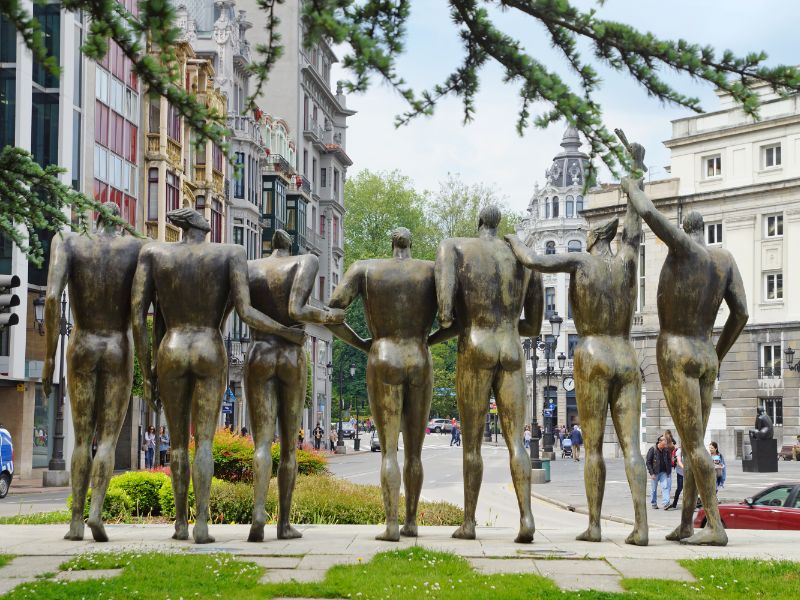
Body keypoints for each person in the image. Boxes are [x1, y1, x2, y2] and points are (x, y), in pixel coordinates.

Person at [132, 208, 304, 545]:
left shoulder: (153, 253)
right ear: (199, 226)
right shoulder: (230, 253)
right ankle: (203, 525)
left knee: (178, 445)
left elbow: (141, 314)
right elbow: (245, 311)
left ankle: (181, 523)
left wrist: (147, 366)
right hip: (209, 346)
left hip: (172, 345)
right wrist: (287, 330)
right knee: (204, 442)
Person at [507, 145, 649, 546]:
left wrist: (511, 243)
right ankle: (641, 526)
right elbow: (635, 228)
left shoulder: (581, 262)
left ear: (592, 239)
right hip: (625, 353)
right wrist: (635, 174)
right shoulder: (626, 261)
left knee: (594, 449)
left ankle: (596, 524)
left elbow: (535, 262)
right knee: (631, 448)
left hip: (592, 354)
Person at [622, 175, 748, 547]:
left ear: (684, 231)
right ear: (705, 229)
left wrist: (632, 182)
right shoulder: (724, 259)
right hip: (706, 351)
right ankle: (686, 523)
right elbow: (740, 315)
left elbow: (646, 210)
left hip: (676, 350)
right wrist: (718, 353)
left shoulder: (683, 249)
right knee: (696, 441)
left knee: (691, 445)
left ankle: (715, 526)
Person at [327, 227, 457, 541]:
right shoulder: (431, 270)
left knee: (389, 452)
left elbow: (332, 313)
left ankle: (390, 524)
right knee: (414, 453)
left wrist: (362, 343)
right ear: (411, 244)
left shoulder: (365, 268)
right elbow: (454, 321)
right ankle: (411, 522)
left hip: (382, 355)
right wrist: (428, 342)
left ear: (390, 243)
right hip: (419, 357)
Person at [436, 206, 543, 543]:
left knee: (472, 444)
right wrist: (510, 325)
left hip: (476, 345)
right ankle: (526, 517)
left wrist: (462, 318)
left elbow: (444, 313)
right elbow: (535, 324)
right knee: (517, 444)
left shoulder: (454, 247)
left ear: (478, 223)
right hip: (511, 347)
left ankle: (469, 522)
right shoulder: (524, 256)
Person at [42, 201, 144, 542]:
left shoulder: (68, 242)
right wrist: (149, 364)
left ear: (95, 218)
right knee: (108, 440)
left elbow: (52, 298)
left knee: (82, 439)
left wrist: (48, 359)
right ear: (121, 222)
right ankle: (97, 513)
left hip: (82, 344)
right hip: (118, 345)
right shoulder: (136, 248)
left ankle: (75, 520)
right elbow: (142, 310)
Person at [646, 435, 672, 509]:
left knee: (665, 487)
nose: (666, 443)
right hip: (655, 473)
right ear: (660, 442)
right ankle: (654, 503)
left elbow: (669, 461)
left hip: (663, 472)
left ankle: (666, 503)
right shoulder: (652, 449)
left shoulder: (666, 450)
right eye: (665, 441)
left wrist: (668, 471)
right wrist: (651, 473)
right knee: (654, 489)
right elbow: (648, 462)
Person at [668, 444, 684, 511]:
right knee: (679, 489)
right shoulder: (679, 451)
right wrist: (684, 468)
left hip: (689, 473)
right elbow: (679, 461)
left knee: (689, 489)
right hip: (680, 473)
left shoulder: (690, 450)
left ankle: (691, 505)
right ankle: (674, 504)